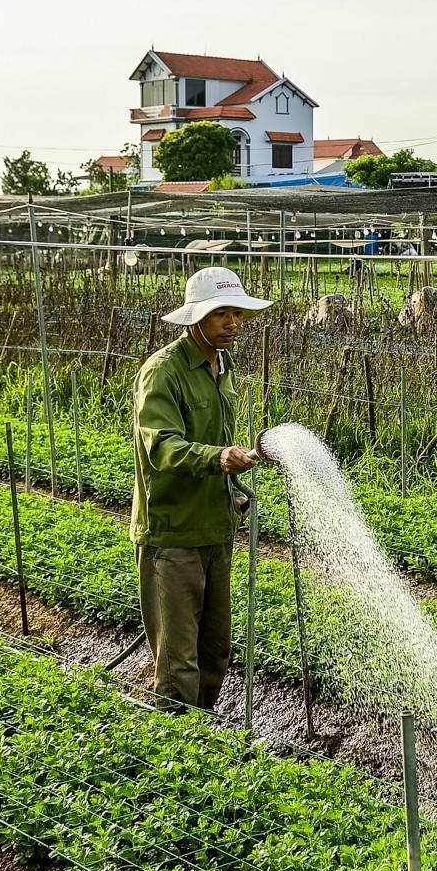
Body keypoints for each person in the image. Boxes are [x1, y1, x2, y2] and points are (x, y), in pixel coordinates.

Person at [131, 266, 272, 713]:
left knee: (215, 654)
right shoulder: (163, 372)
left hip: (216, 531)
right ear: (196, 317)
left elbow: (219, 441)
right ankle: (171, 757)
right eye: (221, 314)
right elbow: (164, 448)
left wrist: (233, 488)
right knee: (178, 665)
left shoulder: (222, 367)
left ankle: (200, 742)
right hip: (173, 536)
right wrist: (216, 458)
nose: (233, 323)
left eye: (238, 313)